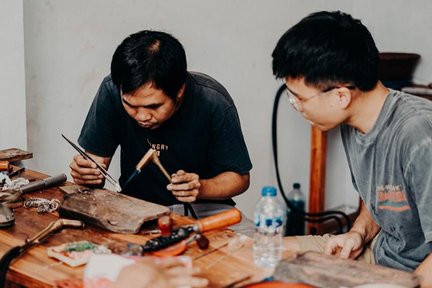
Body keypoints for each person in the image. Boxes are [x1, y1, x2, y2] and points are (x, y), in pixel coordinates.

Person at [272, 11, 432, 286]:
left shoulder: (418, 135)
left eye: (298, 98)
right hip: (380, 255)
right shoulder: (353, 121)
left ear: (341, 96)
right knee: (264, 255)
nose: (296, 106)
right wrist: (357, 233)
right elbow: (384, 200)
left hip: (414, 275)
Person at [69, 30, 252, 223]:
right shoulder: (112, 89)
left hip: (204, 207)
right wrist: (87, 173)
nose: (142, 117)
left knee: (254, 247)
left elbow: (240, 178)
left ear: (180, 90)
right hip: (134, 205)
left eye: (154, 106)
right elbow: (97, 162)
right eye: (130, 105)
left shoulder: (212, 101)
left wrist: (200, 187)